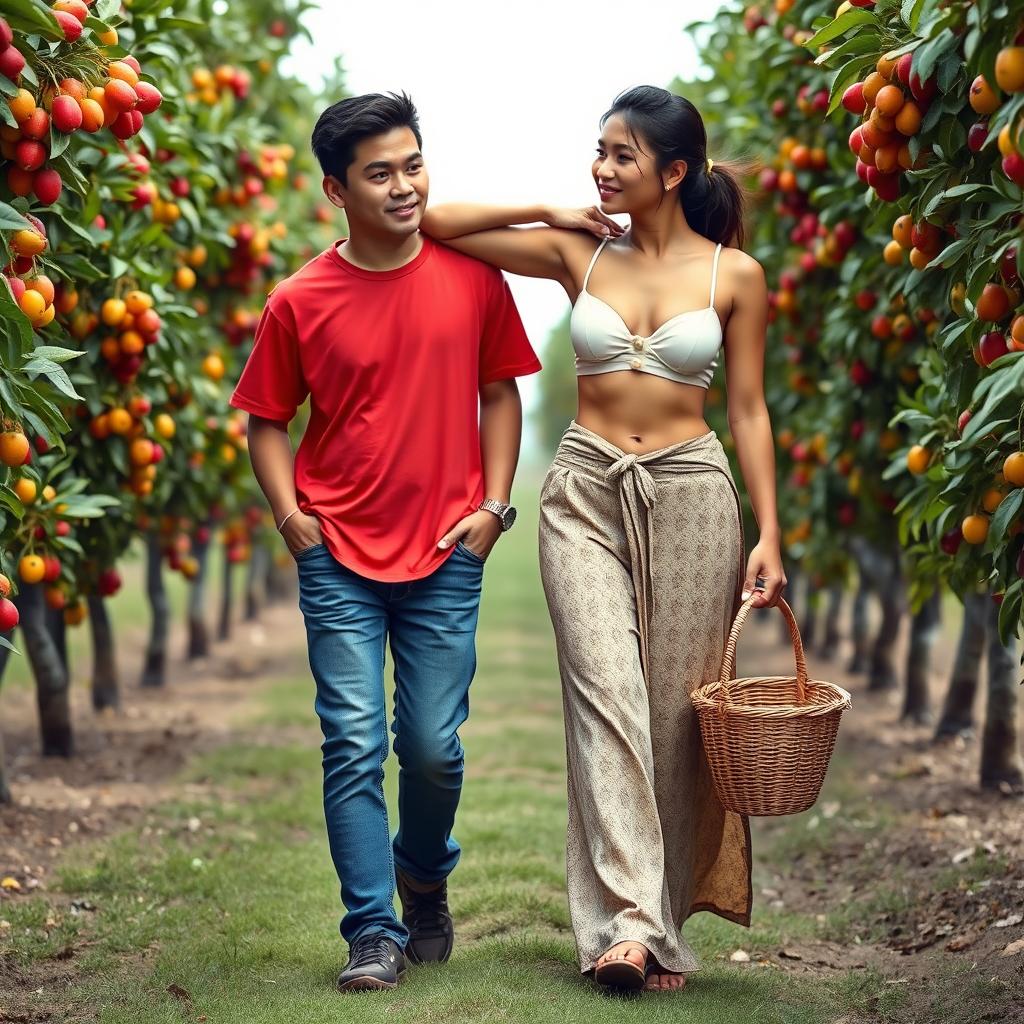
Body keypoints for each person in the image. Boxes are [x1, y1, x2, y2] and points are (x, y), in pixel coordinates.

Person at [420, 84, 786, 993]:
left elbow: (747, 409)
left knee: (671, 713)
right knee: (605, 692)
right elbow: (432, 222)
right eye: (599, 150)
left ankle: (653, 926)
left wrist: (770, 532)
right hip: (581, 489)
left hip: (695, 493)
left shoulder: (732, 276)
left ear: (674, 171)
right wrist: (545, 206)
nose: (602, 168)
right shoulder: (577, 253)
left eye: (623, 155)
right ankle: (624, 926)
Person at [230, 92, 541, 993]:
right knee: (353, 741)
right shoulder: (299, 300)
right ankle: (372, 930)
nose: (404, 186)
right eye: (380, 173)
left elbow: (502, 392)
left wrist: (492, 508)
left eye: (413, 165)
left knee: (436, 747)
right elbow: (264, 420)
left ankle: (424, 875)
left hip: (448, 552)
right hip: (339, 560)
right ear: (336, 189)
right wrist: (295, 523)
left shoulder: (471, 277)